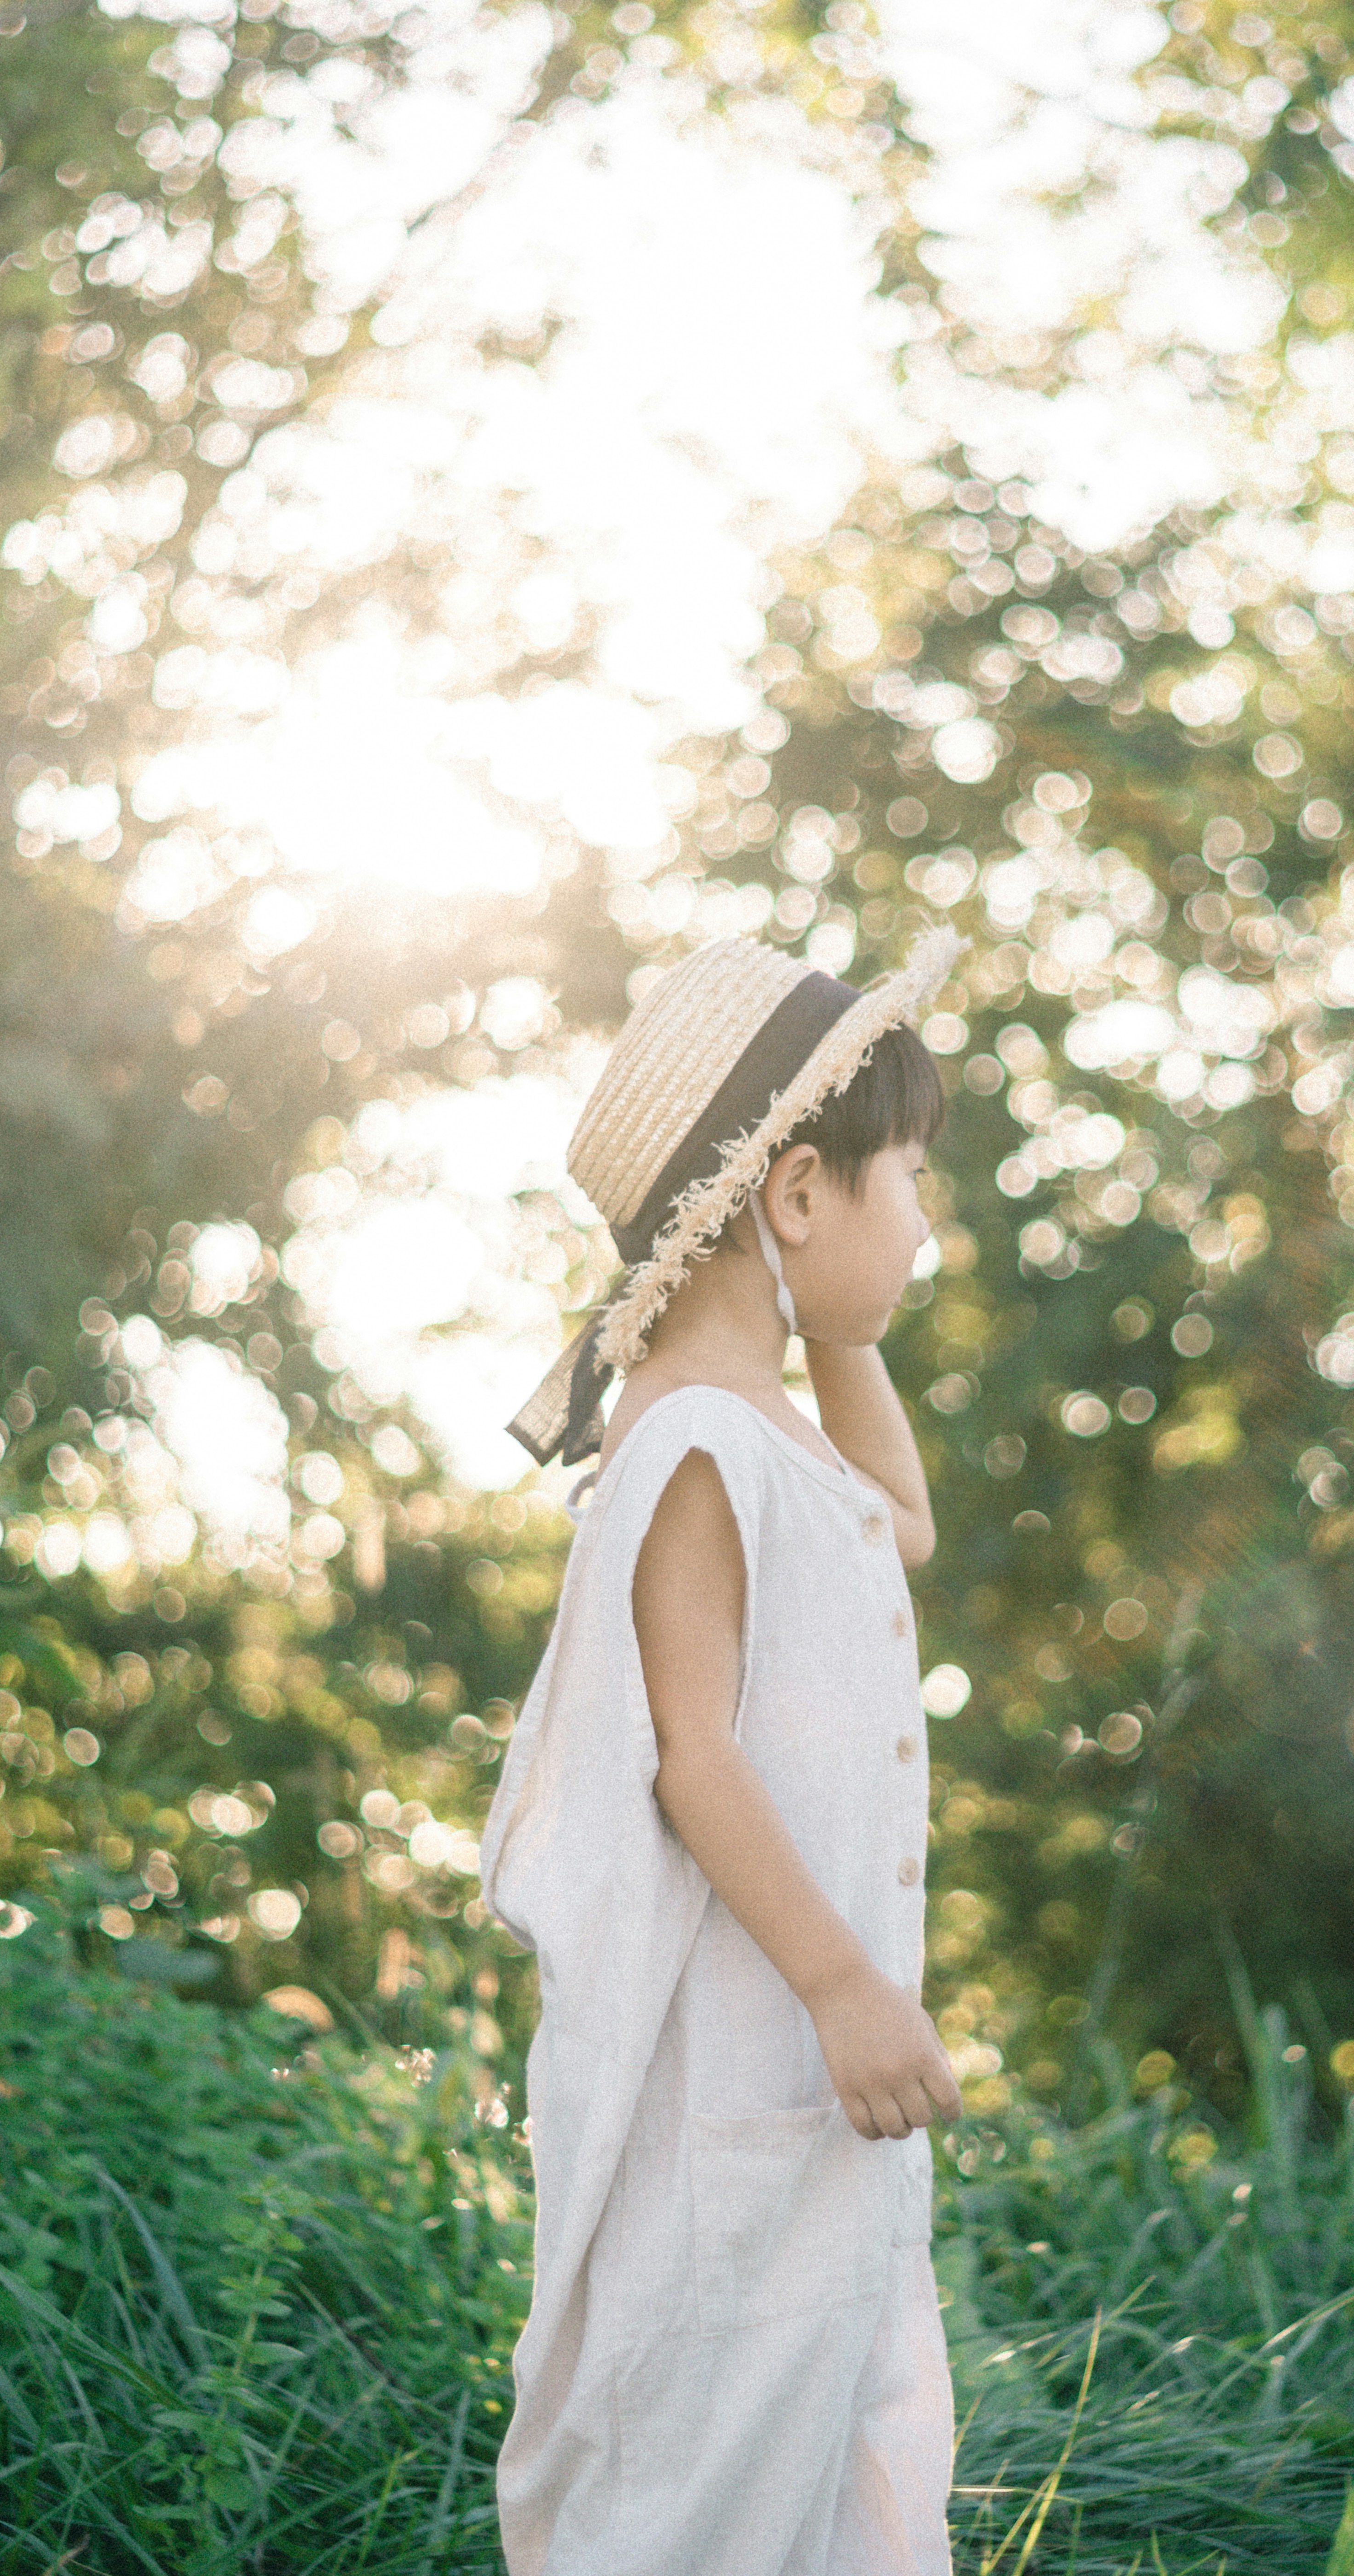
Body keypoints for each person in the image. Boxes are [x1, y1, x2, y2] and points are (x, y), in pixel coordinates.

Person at [481, 926, 966, 2576]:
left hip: (812, 2111)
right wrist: (843, 1984)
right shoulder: (689, 1440)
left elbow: (900, 1522)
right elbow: (695, 1759)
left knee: (841, 2457)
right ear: (800, 1191)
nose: (928, 1225)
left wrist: (837, 1319)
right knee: (707, 2478)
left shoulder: (774, 1432)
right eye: (909, 1176)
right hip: (745, 2084)